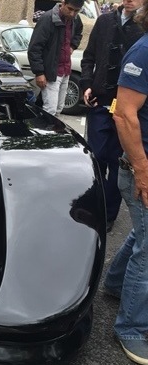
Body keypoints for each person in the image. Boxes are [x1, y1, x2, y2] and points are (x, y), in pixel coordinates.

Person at [103, 0, 148, 365]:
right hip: (139, 168)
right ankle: (131, 328)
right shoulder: (144, 50)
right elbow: (124, 115)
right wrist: (142, 169)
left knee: (142, 234)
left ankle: (116, 285)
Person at [81, 0, 143, 232]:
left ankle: (108, 215)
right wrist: (87, 83)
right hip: (100, 103)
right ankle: (92, 206)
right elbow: (88, 57)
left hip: (128, 109)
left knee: (118, 164)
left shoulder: (143, 28)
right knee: (95, 159)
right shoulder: (104, 20)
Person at [28, 0, 84, 116]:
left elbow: (79, 32)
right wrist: (39, 72)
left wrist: (72, 46)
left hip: (65, 69)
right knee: (50, 110)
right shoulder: (47, 19)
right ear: (63, 3)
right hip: (51, 71)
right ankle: (46, 133)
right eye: (70, 9)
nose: (72, 13)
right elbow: (34, 48)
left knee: (58, 109)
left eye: (76, 11)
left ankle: (53, 132)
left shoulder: (76, 19)